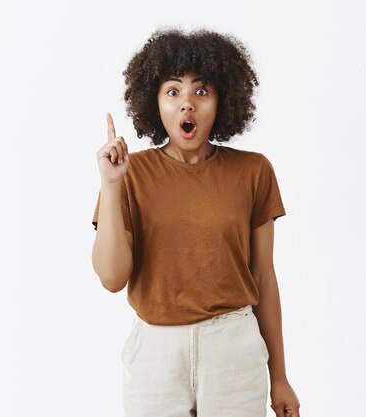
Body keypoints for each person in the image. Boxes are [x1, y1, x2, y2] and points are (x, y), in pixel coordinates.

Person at [92, 27, 301, 417]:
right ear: (155, 102)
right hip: (155, 356)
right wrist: (109, 186)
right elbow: (112, 278)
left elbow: (264, 278)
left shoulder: (253, 171)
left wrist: (280, 377)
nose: (187, 104)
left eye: (201, 91)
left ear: (223, 100)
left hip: (234, 350)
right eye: (173, 92)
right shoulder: (130, 173)